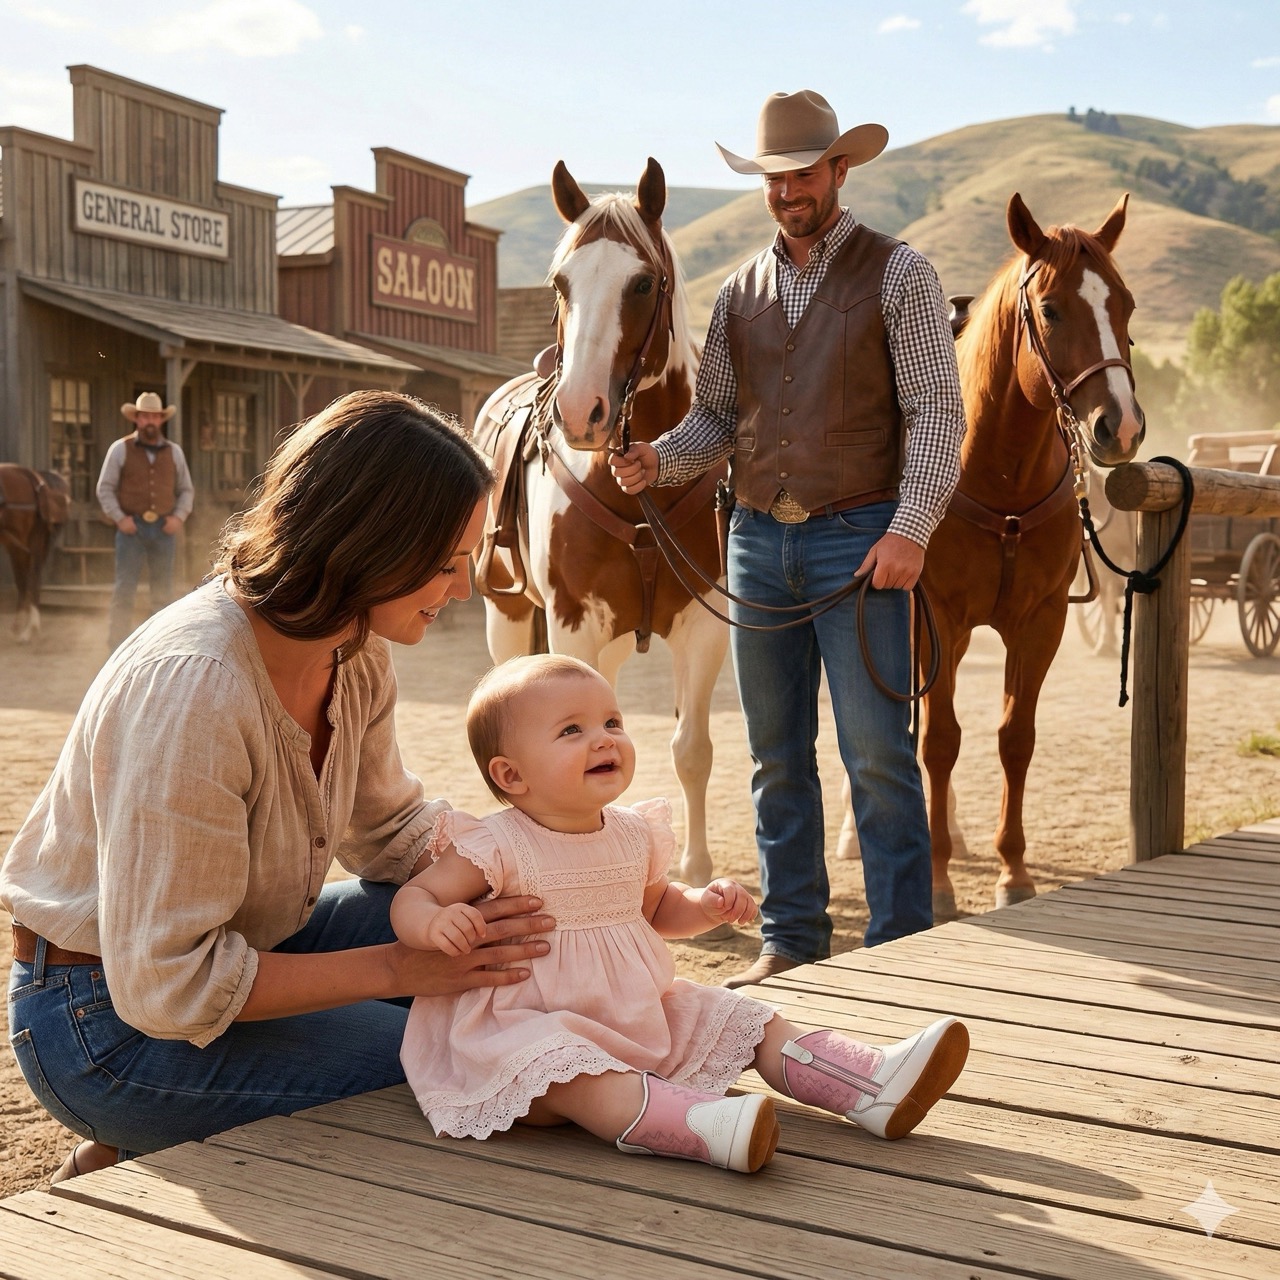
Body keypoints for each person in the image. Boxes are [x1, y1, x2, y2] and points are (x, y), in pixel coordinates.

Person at [2, 390, 555, 1184]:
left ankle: (154, 1138)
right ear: (370, 545)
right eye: (445, 564)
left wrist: (536, 866)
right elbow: (169, 985)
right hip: (102, 1023)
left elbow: (389, 831)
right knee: (454, 1068)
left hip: (241, 950)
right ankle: (129, 1136)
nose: (463, 589)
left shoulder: (354, 649)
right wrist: (401, 971)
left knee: (503, 932)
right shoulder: (198, 685)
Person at [610, 90, 966, 986]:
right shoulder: (740, 291)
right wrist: (660, 459)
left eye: (803, 174)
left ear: (839, 170)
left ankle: (900, 949)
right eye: (773, 178)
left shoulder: (900, 273)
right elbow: (717, 419)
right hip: (757, 542)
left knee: (877, 754)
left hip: (863, 540)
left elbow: (937, 413)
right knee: (775, 756)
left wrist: (912, 528)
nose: (787, 191)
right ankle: (793, 938)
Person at [393, 654, 969, 1173]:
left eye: (612, 722)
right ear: (511, 775)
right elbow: (414, 898)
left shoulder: (632, 833)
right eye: (572, 730)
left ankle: (869, 1083)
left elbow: (656, 910)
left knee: (743, 1017)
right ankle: (703, 1129)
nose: (604, 740)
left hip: (633, 1012)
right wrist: (435, 923)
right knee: (578, 1075)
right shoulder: (496, 844)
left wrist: (703, 906)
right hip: (523, 1031)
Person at [97, 391, 197, 651]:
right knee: (124, 590)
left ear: (161, 419)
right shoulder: (120, 449)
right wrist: (120, 518)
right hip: (131, 528)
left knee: (162, 592)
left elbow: (186, 490)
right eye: (145, 416)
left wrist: (178, 517)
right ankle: (116, 646)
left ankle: (159, 646)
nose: (150, 421)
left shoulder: (174, 452)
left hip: (164, 529)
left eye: (154, 416)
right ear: (136, 418)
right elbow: (105, 488)